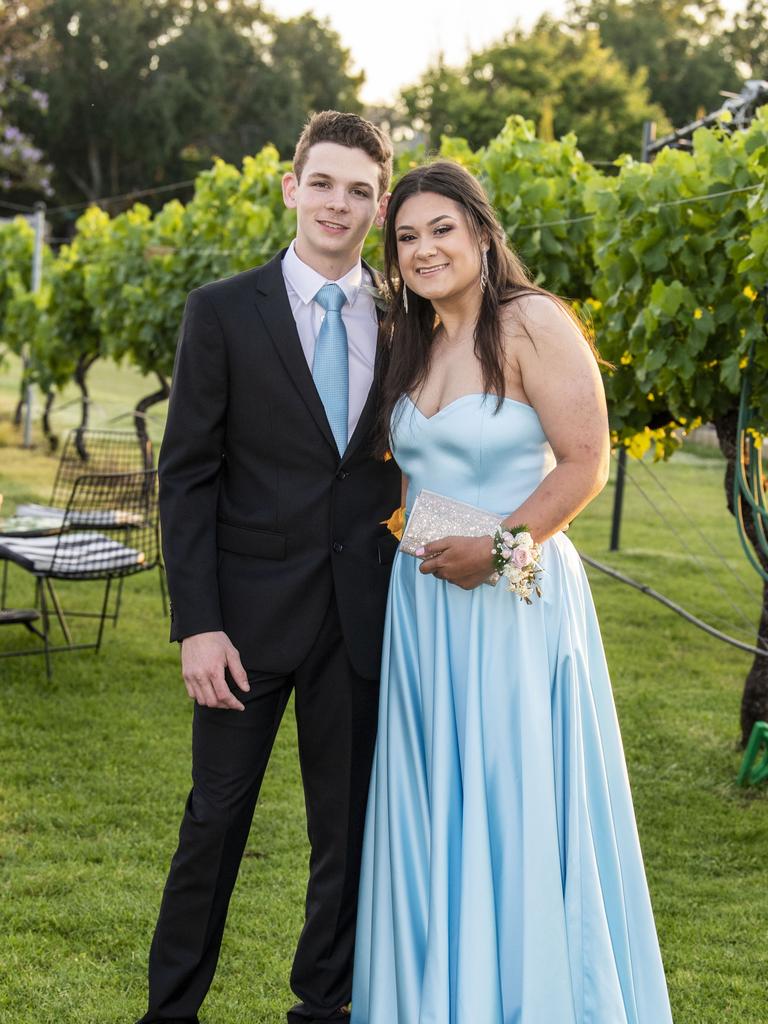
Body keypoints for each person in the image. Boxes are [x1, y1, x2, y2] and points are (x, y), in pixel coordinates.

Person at [351, 161, 674, 1023]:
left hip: (513, 601)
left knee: (514, 792)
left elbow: (585, 463)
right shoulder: (412, 341)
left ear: (483, 233)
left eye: (441, 230)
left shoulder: (532, 322)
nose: (424, 250)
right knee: (437, 803)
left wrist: (498, 550)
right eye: (408, 238)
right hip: (425, 613)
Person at [137, 111, 401, 1024]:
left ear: (378, 204)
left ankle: (321, 1009)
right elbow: (188, 476)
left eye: (360, 190)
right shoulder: (221, 310)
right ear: (292, 187)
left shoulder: (406, 322)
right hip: (241, 626)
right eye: (323, 183)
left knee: (348, 836)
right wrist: (196, 623)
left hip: (363, 622)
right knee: (213, 826)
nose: (339, 203)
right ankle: (170, 1012)